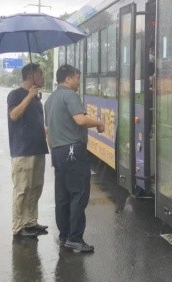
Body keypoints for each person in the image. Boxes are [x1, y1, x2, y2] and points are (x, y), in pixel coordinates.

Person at [44, 65, 105, 253]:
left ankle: (64, 236)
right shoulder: (70, 95)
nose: (79, 82)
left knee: (62, 196)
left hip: (58, 151)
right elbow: (80, 120)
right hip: (73, 151)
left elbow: (48, 131)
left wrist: (54, 152)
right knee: (78, 194)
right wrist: (99, 123)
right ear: (68, 79)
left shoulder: (50, 100)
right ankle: (75, 238)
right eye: (77, 78)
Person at [7, 63, 49, 238]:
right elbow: (14, 115)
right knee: (22, 189)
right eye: (41, 74)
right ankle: (18, 226)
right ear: (31, 76)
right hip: (23, 151)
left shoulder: (37, 98)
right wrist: (29, 96)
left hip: (38, 148)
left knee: (35, 188)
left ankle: (31, 222)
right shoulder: (15, 94)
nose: (43, 77)